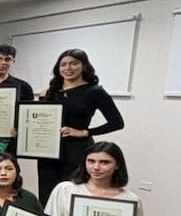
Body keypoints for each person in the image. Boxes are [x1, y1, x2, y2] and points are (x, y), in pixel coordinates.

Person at [36, 49, 125, 202]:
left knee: (74, 195)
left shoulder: (95, 91)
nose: (68, 68)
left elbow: (117, 122)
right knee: (47, 197)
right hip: (48, 152)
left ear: (84, 66)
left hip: (76, 152)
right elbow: (38, 121)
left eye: (74, 63)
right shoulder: (48, 92)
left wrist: (84, 132)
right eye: (63, 64)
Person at [0, 44, 35, 154]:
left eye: (7, 59)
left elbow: (29, 116)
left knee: (7, 170)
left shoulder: (23, 87)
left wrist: (21, 128)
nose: (3, 63)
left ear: (13, 62)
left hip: (9, 141)